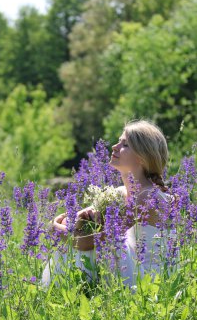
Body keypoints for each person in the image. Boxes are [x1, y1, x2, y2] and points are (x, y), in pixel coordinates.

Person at [41, 119, 174, 287]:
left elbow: (89, 242)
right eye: (119, 141)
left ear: (142, 157)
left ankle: (68, 290)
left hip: (146, 281)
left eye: (125, 144)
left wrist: (55, 228)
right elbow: (71, 220)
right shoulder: (118, 193)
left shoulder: (147, 197)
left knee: (105, 245)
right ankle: (75, 291)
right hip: (128, 268)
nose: (115, 147)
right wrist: (83, 219)